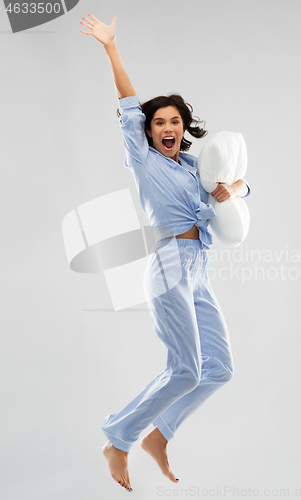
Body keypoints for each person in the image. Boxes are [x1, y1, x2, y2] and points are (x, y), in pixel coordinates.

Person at [80, 13, 251, 493]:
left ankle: (161, 434)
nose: (168, 127)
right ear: (150, 132)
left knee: (219, 368)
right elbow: (128, 103)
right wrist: (111, 48)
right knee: (186, 369)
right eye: (160, 123)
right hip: (169, 264)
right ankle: (119, 435)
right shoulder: (144, 160)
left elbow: (246, 185)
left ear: (184, 127)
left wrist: (230, 189)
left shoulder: (196, 165)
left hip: (200, 268)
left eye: (175, 121)